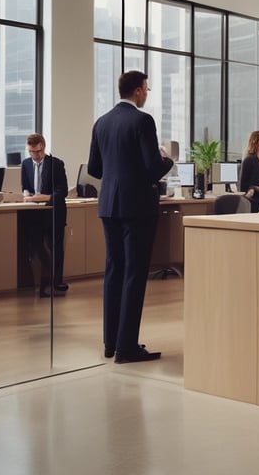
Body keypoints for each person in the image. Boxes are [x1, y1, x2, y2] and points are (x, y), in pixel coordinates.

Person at [87, 70, 173, 364]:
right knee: (135, 273)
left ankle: (111, 342)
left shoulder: (102, 122)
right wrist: (168, 160)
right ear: (137, 91)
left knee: (114, 271)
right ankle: (127, 348)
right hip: (136, 207)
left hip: (108, 205)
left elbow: (95, 169)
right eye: (146, 89)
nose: (146, 94)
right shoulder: (142, 120)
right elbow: (152, 168)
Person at [20, 133, 69, 298]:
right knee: (36, 245)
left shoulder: (56, 164)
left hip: (53, 211)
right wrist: (27, 195)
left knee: (56, 247)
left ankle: (56, 281)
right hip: (34, 213)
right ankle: (44, 281)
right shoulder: (26, 164)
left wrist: (41, 197)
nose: (35, 156)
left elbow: (62, 191)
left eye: (38, 152)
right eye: (31, 152)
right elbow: (25, 186)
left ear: (43, 147)